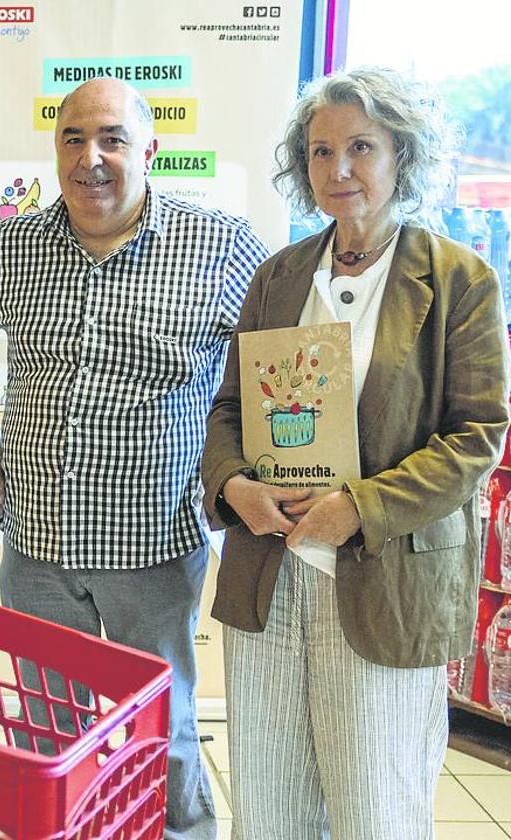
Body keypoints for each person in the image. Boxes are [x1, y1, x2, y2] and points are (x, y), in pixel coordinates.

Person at [0, 77, 268, 840]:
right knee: (45, 737)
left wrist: (236, 474)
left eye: (113, 139)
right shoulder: (11, 245)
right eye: (73, 139)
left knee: (167, 734)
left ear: (150, 150)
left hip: (153, 549)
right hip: (36, 549)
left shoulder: (220, 246)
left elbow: (276, 365)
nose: (92, 159)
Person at [202, 66, 510, 839]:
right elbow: (230, 407)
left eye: (361, 147)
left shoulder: (458, 280)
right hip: (270, 574)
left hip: (385, 577)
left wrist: (358, 508)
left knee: (377, 805)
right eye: (319, 151)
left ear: (402, 154)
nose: (337, 170)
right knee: (271, 803)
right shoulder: (278, 276)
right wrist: (234, 483)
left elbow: (477, 433)